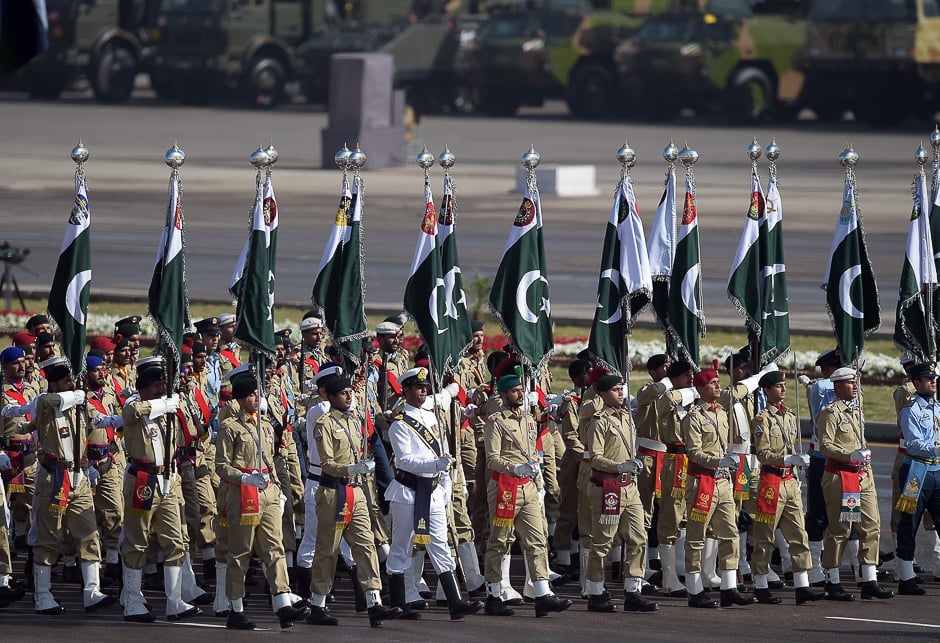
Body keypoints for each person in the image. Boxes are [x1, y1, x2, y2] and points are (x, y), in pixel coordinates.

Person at [215, 366, 310, 630]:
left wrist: (278, 489)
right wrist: (244, 478)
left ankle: (282, 604)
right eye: (253, 394)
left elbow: (272, 459)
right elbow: (221, 465)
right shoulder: (230, 427)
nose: (258, 398)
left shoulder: (266, 426)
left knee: (274, 548)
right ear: (242, 398)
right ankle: (235, 607)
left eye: (259, 394)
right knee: (241, 552)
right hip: (242, 492)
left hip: (267, 491)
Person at [385, 366, 482, 620]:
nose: (423, 390)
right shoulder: (399, 424)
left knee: (439, 544)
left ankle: (455, 602)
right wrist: (433, 466)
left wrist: (445, 480)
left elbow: (443, 455)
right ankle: (399, 603)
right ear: (405, 391)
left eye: (425, 386)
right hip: (408, 493)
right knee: (402, 548)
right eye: (418, 387)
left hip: (434, 490)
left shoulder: (432, 417)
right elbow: (404, 461)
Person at [305, 376, 402, 628]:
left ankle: (374, 602)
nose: (349, 396)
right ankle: (317, 604)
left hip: (356, 491)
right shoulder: (323, 423)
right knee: (328, 550)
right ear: (331, 397)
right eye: (343, 393)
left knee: (366, 545)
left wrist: (360, 468)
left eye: (350, 392)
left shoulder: (356, 419)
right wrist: (351, 467)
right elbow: (326, 463)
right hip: (333, 492)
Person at [481, 373, 572, 618]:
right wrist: (514, 468)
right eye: (514, 391)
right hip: (505, 488)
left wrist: (536, 476)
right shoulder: (496, 422)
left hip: (528, 486)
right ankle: (493, 593)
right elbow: (492, 459)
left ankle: (542, 593)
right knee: (500, 540)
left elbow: (533, 452)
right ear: (503, 395)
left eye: (521, 390)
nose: (520, 394)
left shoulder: (529, 420)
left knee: (537, 539)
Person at [30, 356, 115, 615]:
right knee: (48, 536)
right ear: (54, 384)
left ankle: (92, 590)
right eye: (67, 380)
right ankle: (42, 595)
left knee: (89, 532)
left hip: (78, 476)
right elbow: (50, 402)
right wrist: (77, 396)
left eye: (74, 379)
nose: (73, 384)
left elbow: (100, 421)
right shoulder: (46, 403)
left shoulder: (79, 405)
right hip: (54, 478)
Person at [120, 356, 200, 623]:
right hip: (142, 479)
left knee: (175, 541)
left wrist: (172, 406)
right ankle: (132, 599)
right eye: (154, 385)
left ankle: (175, 600)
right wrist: (161, 404)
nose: (160, 389)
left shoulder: (168, 411)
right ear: (143, 387)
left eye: (161, 385)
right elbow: (130, 412)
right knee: (137, 541)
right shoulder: (135, 405)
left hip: (166, 479)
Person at [816, 366, 894, 601]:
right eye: (851, 382)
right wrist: (850, 454)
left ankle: (869, 579)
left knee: (872, 526)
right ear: (838, 386)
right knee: (840, 529)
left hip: (862, 476)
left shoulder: (856, 410)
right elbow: (825, 446)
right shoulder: (830, 413)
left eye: (856, 382)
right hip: (841, 476)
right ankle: (832, 580)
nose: (855, 386)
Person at [584, 374, 658, 613]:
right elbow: (595, 458)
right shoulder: (599, 421)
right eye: (616, 390)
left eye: (621, 389)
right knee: (603, 542)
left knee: (638, 538)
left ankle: (633, 590)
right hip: (607, 487)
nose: (621, 394)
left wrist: (635, 463)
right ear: (603, 394)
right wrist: (618, 466)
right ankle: (596, 591)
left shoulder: (627, 418)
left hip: (629, 487)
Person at [750, 371, 826, 605]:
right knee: (765, 537)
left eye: (784, 385)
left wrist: (795, 462)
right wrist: (786, 460)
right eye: (778, 386)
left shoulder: (790, 416)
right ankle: (760, 585)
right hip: (771, 482)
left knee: (798, 534)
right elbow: (762, 454)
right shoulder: (762, 420)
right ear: (766, 390)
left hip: (790, 482)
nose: (783, 390)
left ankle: (802, 585)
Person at [681, 368, 754, 609]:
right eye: (712, 383)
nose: (718, 386)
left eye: (718, 382)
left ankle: (728, 587)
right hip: (702, 480)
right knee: (696, 536)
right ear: (701, 389)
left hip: (723, 481)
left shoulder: (723, 413)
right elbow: (693, 452)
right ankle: (694, 588)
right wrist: (717, 461)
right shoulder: (693, 417)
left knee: (730, 533)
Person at [894, 361, 940, 595]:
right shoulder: (911, 411)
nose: (933, 381)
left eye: (934, 378)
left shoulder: (937, 408)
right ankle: (906, 576)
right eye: (927, 378)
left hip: (937, 471)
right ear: (916, 383)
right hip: (917, 473)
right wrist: (936, 449)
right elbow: (912, 443)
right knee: (909, 524)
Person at [655, 360, 696, 597]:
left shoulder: (693, 401)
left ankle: (681, 568)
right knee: (671, 515)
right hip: (675, 459)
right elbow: (666, 401)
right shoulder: (669, 398)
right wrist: (688, 391)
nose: (691, 379)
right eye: (686, 376)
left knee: (689, 516)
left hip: (693, 459)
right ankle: (669, 577)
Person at [803, 348, 841, 585]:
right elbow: (822, 389)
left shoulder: (852, 391)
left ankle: (840, 570)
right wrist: (846, 378)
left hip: (847, 460)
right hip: (822, 458)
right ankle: (814, 568)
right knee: (818, 514)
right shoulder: (821, 388)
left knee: (845, 514)